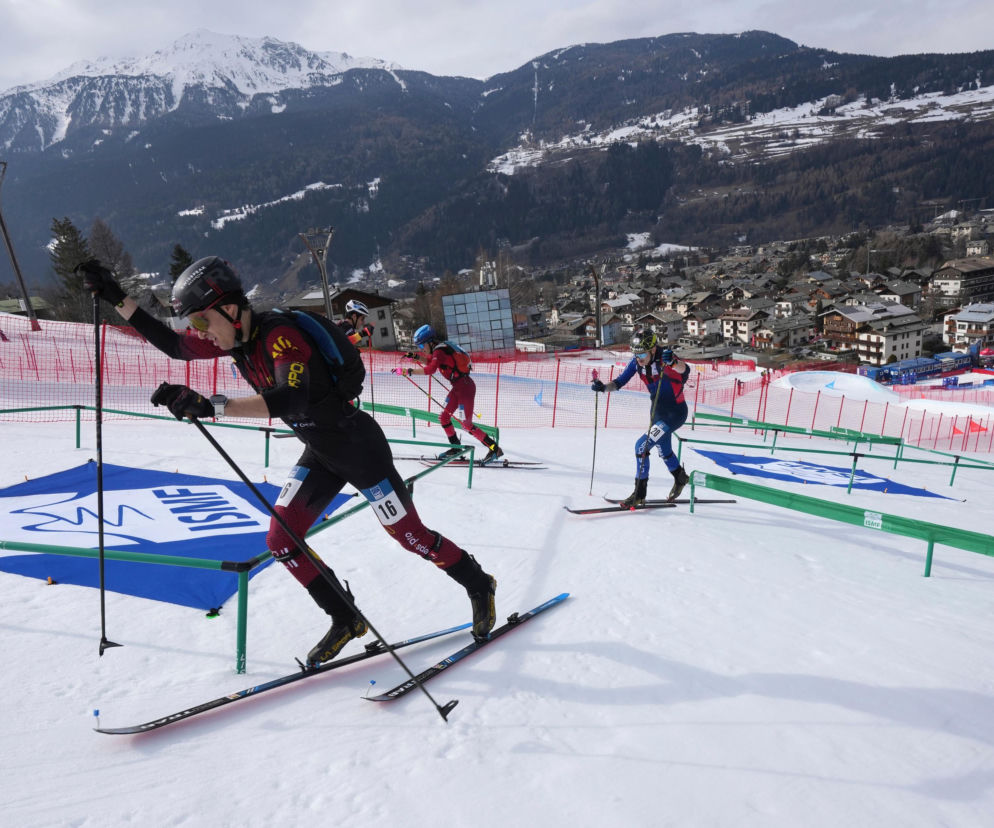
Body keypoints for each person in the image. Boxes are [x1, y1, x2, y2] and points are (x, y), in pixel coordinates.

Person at [77, 256, 497, 665]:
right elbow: (172, 345)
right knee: (281, 541)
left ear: (230, 310)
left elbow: (290, 397)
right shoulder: (235, 340)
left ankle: (479, 583)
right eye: (194, 324)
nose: (199, 332)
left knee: (410, 536)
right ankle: (345, 617)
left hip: (359, 450)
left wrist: (212, 406)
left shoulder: (280, 337)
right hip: (321, 454)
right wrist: (116, 296)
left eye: (202, 321)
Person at [591, 328, 691, 506]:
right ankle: (680, 477)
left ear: (653, 349)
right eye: (635, 354)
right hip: (657, 413)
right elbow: (619, 382)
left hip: (674, 413)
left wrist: (674, 362)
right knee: (664, 450)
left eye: (642, 354)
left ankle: (639, 493)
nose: (639, 358)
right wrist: (603, 387)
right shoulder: (637, 363)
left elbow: (684, 370)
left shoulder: (665, 359)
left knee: (641, 446)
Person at [395, 324, 503, 465]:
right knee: (444, 417)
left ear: (430, 342)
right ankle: (455, 448)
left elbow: (431, 369)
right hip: (457, 388)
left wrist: (408, 371)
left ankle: (495, 449)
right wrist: (415, 357)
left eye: (422, 346)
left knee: (466, 424)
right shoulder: (439, 351)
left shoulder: (439, 351)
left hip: (465, 388)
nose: (422, 349)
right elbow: (431, 362)